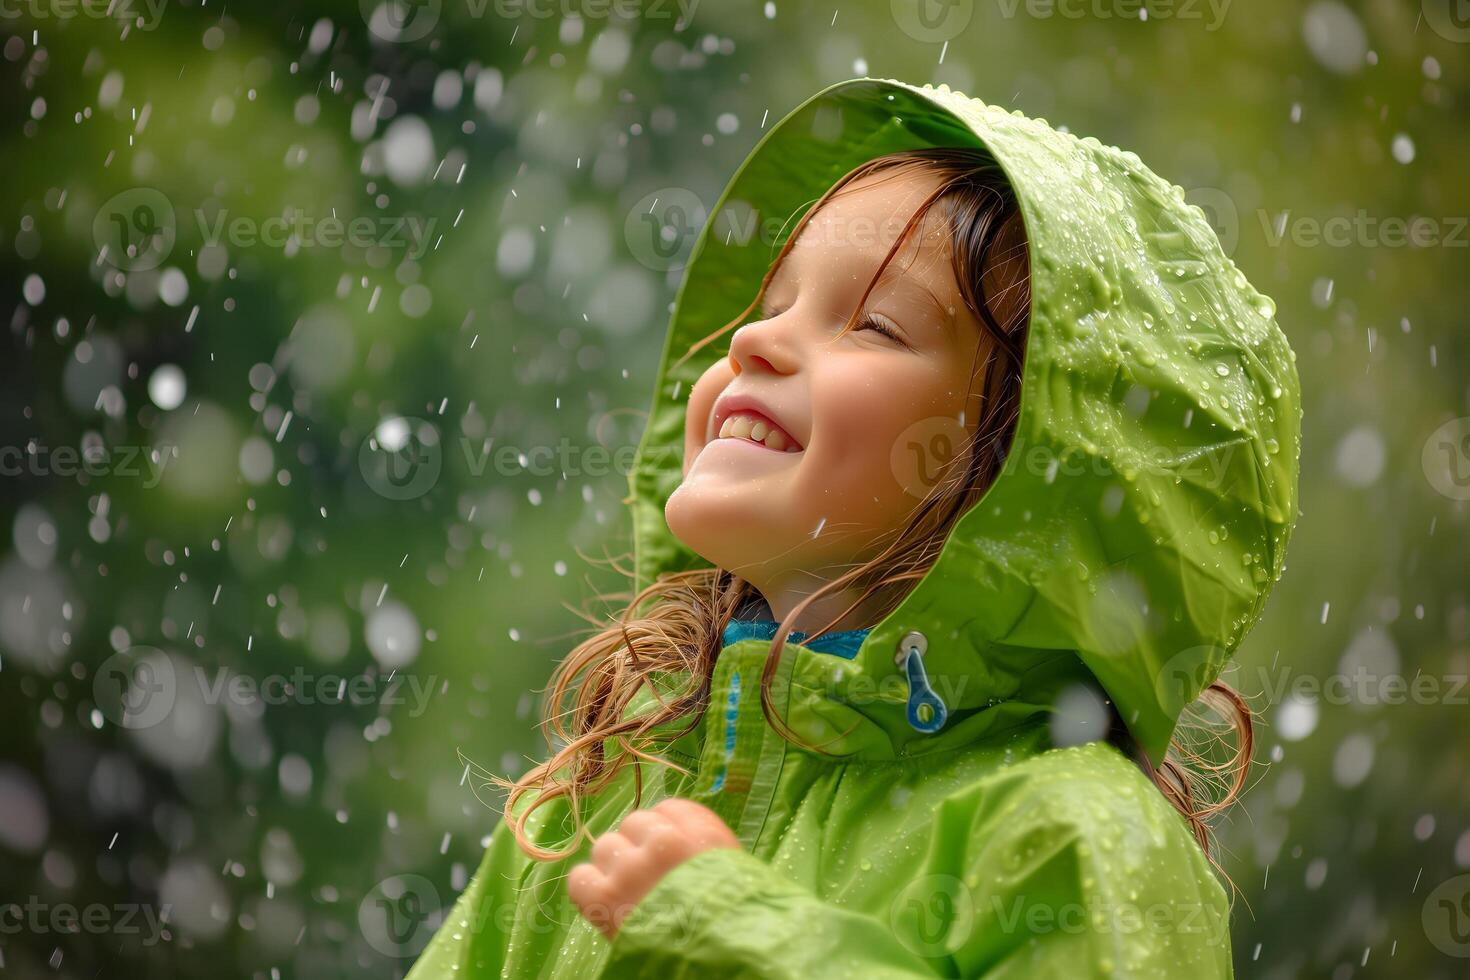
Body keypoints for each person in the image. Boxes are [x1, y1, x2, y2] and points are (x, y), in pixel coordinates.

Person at [406, 76, 1301, 979]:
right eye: (772, 304)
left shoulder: (1071, 837)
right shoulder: (612, 780)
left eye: (873, 324)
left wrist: (727, 934)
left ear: (1024, 469)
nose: (755, 343)